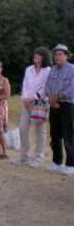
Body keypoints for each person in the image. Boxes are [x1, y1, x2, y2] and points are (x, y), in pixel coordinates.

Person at [12, 47, 52, 167]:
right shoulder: (29, 69)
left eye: (39, 55)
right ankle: (24, 156)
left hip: (41, 103)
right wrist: (26, 100)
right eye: (35, 54)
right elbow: (25, 85)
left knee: (40, 130)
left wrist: (33, 98)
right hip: (27, 102)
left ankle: (38, 158)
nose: (36, 56)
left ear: (44, 57)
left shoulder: (48, 71)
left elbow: (45, 88)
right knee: (23, 128)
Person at [45, 44, 74, 175]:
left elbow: (71, 88)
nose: (57, 57)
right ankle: (57, 162)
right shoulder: (53, 70)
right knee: (55, 135)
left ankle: (71, 164)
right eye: (55, 54)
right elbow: (47, 86)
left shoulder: (72, 69)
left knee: (68, 135)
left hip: (67, 105)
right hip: (54, 105)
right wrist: (51, 98)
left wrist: (56, 98)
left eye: (60, 54)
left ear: (67, 56)